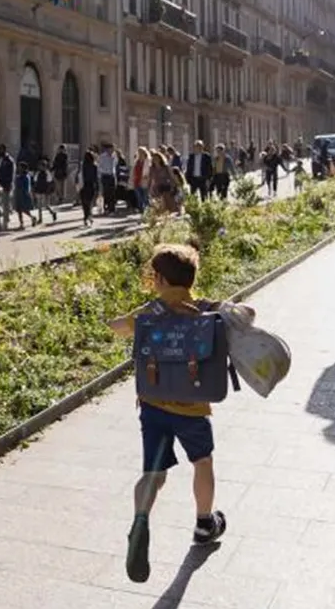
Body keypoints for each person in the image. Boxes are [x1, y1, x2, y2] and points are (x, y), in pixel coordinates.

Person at [108, 243, 249, 583]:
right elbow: (247, 314)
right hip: (193, 408)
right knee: (202, 462)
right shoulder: (202, 308)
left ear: (159, 279)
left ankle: (140, 519)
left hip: (154, 405)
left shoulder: (150, 311)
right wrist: (215, 312)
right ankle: (204, 523)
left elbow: (117, 326)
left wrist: (137, 317)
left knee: (153, 475)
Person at [0, 144, 16, 231]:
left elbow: (11, 174)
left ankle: (5, 222)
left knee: (5, 204)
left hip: (5, 185)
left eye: (0, 150)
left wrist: (9, 184)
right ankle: (2, 220)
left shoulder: (9, 161)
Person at [32, 159, 57, 224]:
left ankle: (53, 212)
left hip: (45, 191)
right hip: (39, 190)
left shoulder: (47, 173)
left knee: (46, 206)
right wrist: (35, 190)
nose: (41, 167)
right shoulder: (38, 173)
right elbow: (35, 181)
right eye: (40, 166)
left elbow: (49, 182)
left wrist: (48, 191)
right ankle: (40, 219)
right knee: (39, 206)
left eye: (42, 166)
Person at [77, 149, 99, 227]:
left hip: (83, 186)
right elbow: (96, 178)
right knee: (90, 203)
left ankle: (86, 217)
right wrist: (98, 188)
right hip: (91, 186)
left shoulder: (82, 166)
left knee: (84, 203)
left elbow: (78, 175)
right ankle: (89, 216)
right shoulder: (94, 166)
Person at [97, 144, 119, 214]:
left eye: (113, 150)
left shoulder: (114, 156)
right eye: (111, 149)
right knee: (106, 193)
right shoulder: (102, 157)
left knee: (112, 193)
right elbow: (99, 167)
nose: (112, 151)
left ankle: (112, 208)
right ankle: (106, 208)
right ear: (107, 150)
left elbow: (115, 165)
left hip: (112, 176)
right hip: (105, 176)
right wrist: (100, 176)